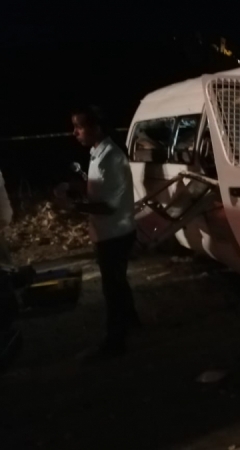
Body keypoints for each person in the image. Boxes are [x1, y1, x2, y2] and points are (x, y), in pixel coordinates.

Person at [54, 105, 139, 361]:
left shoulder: (109, 158)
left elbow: (108, 206)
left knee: (112, 289)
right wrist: (72, 185)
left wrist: (73, 207)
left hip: (114, 233)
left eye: (79, 127)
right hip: (113, 231)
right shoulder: (98, 152)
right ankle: (132, 321)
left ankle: (115, 342)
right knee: (118, 282)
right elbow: (97, 186)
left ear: (96, 127)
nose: (75, 132)